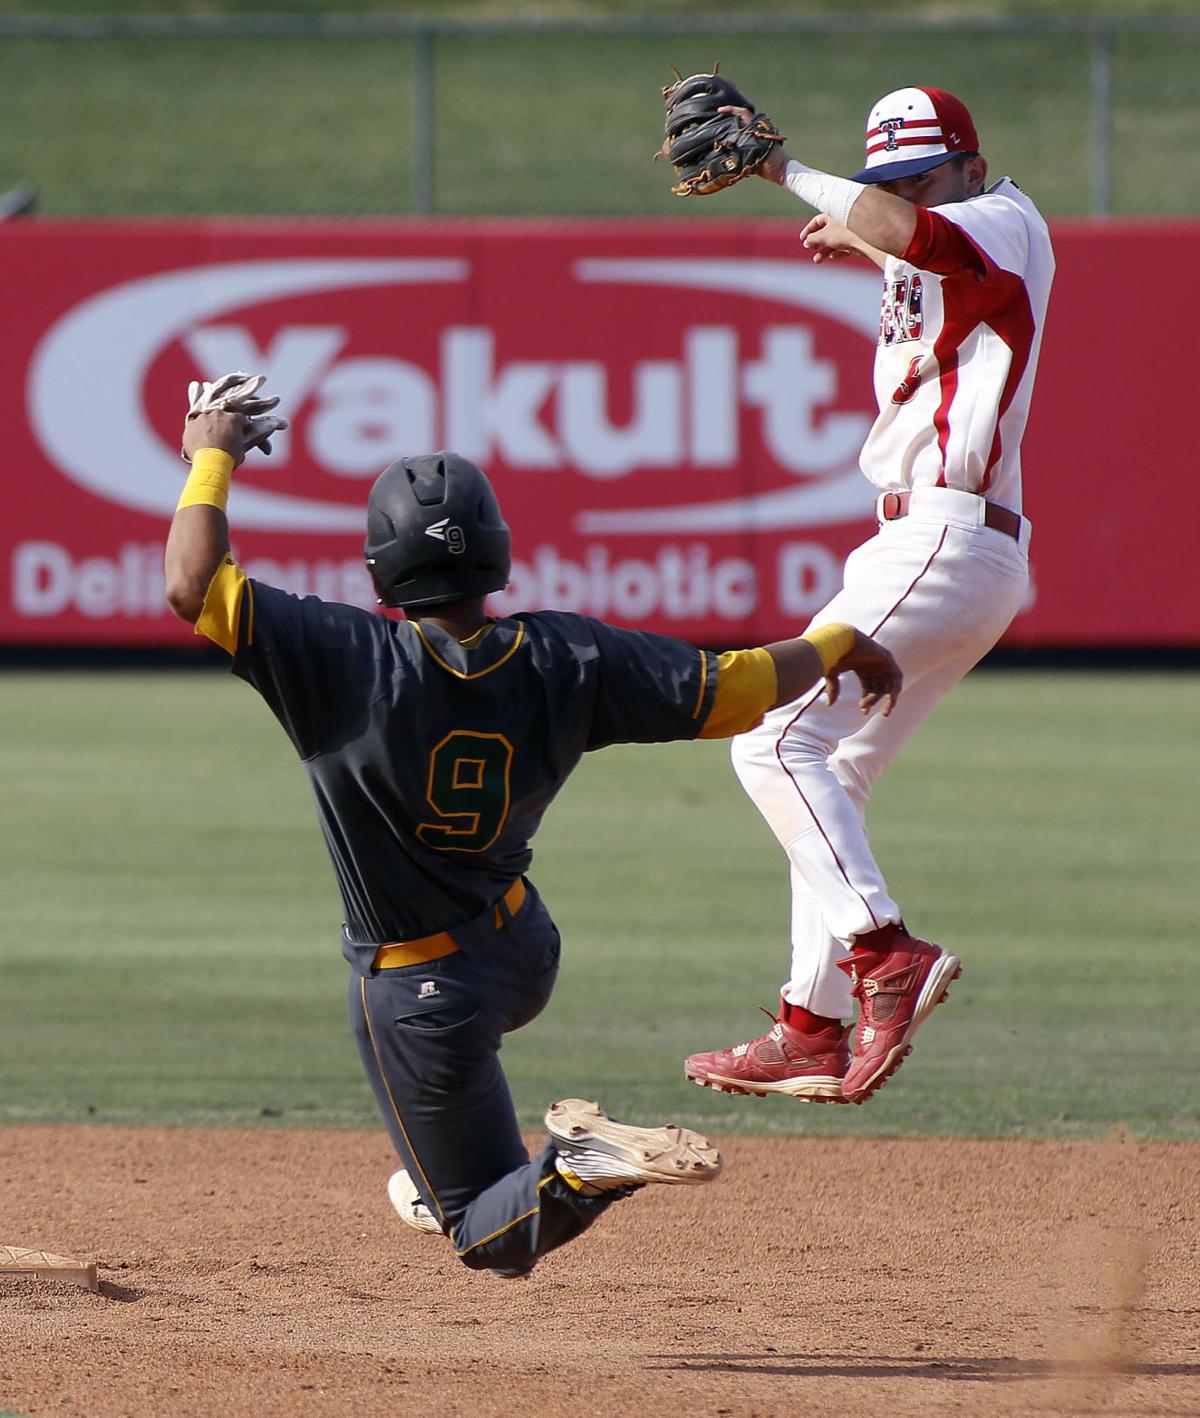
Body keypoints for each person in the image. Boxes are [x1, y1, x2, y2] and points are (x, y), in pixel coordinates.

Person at [164, 386, 902, 1278]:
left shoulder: (342, 658)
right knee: (443, 1156)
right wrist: (836, 642)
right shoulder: (568, 656)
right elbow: (738, 685)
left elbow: (191, 584)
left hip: (424, 990)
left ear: (378, 567)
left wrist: (212, 455)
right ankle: (443, 1164)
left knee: (485, 1234)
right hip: (522, 946)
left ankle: (580, 1165)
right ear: (498, 555)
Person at [684, 86, 1055, 1105]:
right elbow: (911, 241)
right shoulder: (938, 238)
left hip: (942, 535)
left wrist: (787, 173)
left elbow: (925, 234)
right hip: (936, 540)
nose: (895, 198)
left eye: (918, 177)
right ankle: (809, 1023)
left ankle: (886, 955)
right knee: (831, 767)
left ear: (971, 166)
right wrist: (868, 235)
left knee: (768, 735)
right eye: (884, 180)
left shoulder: (1004, 220)